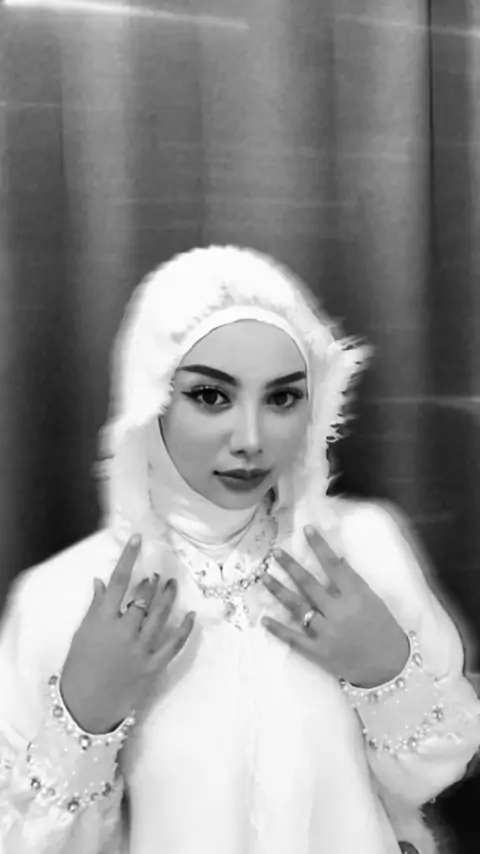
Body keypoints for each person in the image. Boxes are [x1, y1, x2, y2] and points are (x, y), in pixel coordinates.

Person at [0, 245, 479, 854]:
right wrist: (84, 720)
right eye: (210, 396)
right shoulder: (65, 597)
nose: (251, 440)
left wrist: (384, 670)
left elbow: (436, 774)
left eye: (282, 398)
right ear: (150, 399)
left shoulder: (359, 549)